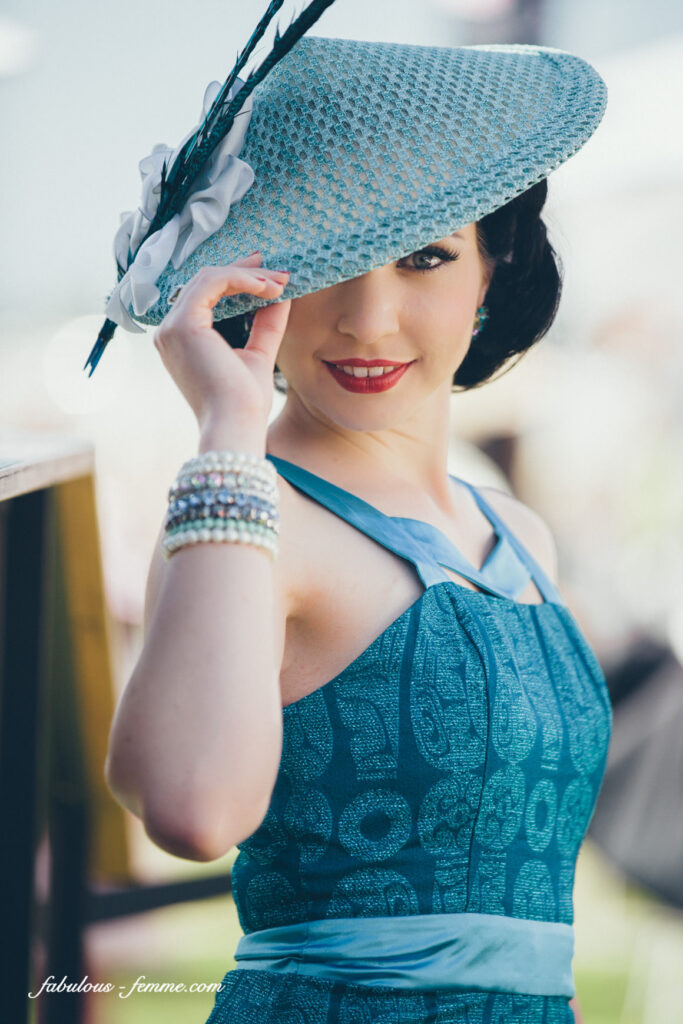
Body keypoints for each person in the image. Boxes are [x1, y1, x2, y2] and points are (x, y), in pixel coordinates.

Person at [103, 12, 613, 1024]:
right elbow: (193, 808)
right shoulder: (250, 518)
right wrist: (226, 430)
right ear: (247, 283)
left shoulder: (515, 537)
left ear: (489, 271)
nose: (368, 319)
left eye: (423, 256)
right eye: (325, 261)